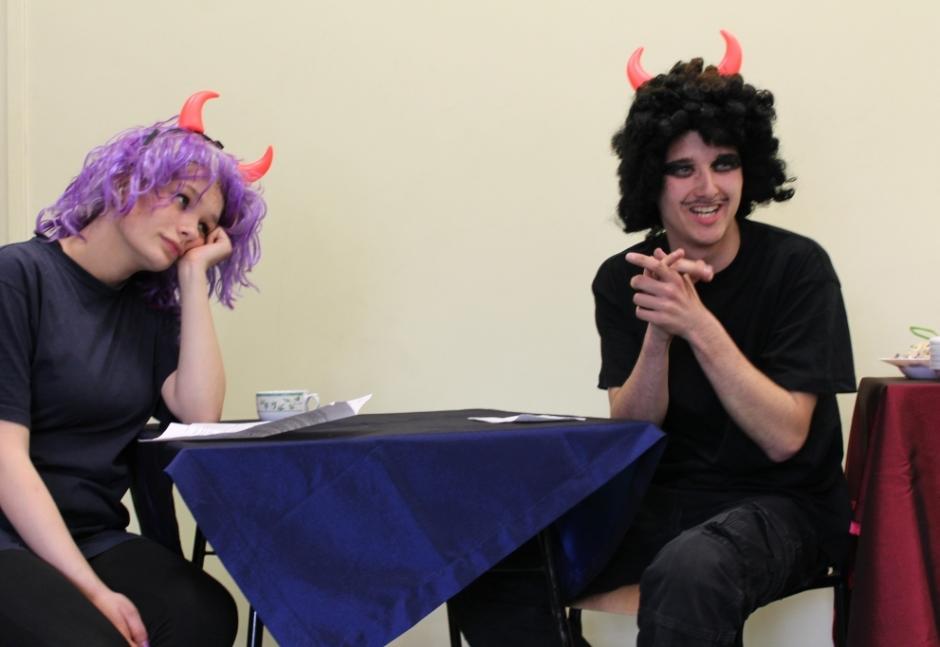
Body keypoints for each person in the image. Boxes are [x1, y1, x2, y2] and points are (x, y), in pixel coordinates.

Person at [450, 32, 855, 646]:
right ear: (651, 180)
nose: (708, 187)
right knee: (490, 559)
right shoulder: (624, 278)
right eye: (682, 169)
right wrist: (660, 333)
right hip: (660, 500)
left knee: (692, 570)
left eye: (724, 163)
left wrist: (697, 322)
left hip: (784, 505)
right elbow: (632, 431)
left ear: (749, 169)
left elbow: (784, 437)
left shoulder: (798, 268)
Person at [0, 91, 272, 647]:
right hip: (6, 536)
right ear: (126, 180)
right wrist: (93, 591)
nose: (191, 230)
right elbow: (5, 459)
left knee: (204, 615)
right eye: (182, 200)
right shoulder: (18, 276)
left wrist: (193, 279)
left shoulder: (150, 311)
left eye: (206, 224)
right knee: (93, 637)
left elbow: (199, 413)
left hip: (91, 534)